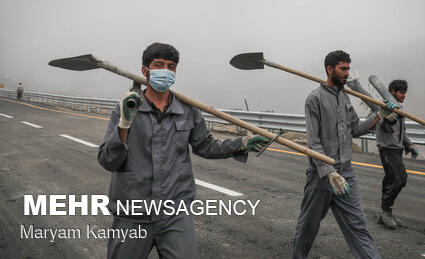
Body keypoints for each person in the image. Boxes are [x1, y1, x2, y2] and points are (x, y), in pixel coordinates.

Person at [98, 42, 269, 259]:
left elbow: (206, 146)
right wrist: (124, 123)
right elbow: (108, 160)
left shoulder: (187, 110)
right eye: (159, 65)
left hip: (175, 213)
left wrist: (241, 143)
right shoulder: (126, 108)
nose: (166, 71)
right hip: (133, 214)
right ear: (145, 71)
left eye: (171, 67)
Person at [292, 50, 394, 259]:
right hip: (321, 177)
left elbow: (356, 128)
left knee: (358, 227)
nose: (347, 73)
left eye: (348, 68)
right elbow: (313, 143)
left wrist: (379, 115)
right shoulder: (315, 99)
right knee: (308, 226)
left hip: (346, 173)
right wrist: (329, 172)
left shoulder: (345, 96)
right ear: (330, 69)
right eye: (343, 69)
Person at [374, 79, 418, 230]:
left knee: (390, 179)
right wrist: (384, 116)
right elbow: (376, 123)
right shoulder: (382, 106)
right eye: (401, 92)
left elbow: (402, 131)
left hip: (397, 149)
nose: (404, 95)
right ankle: (385, 211)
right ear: (392, 92)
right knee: (400, 179)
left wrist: (409, 145)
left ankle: (384, 212)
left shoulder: (399, 109)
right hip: (387, 149)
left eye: (405, 92)